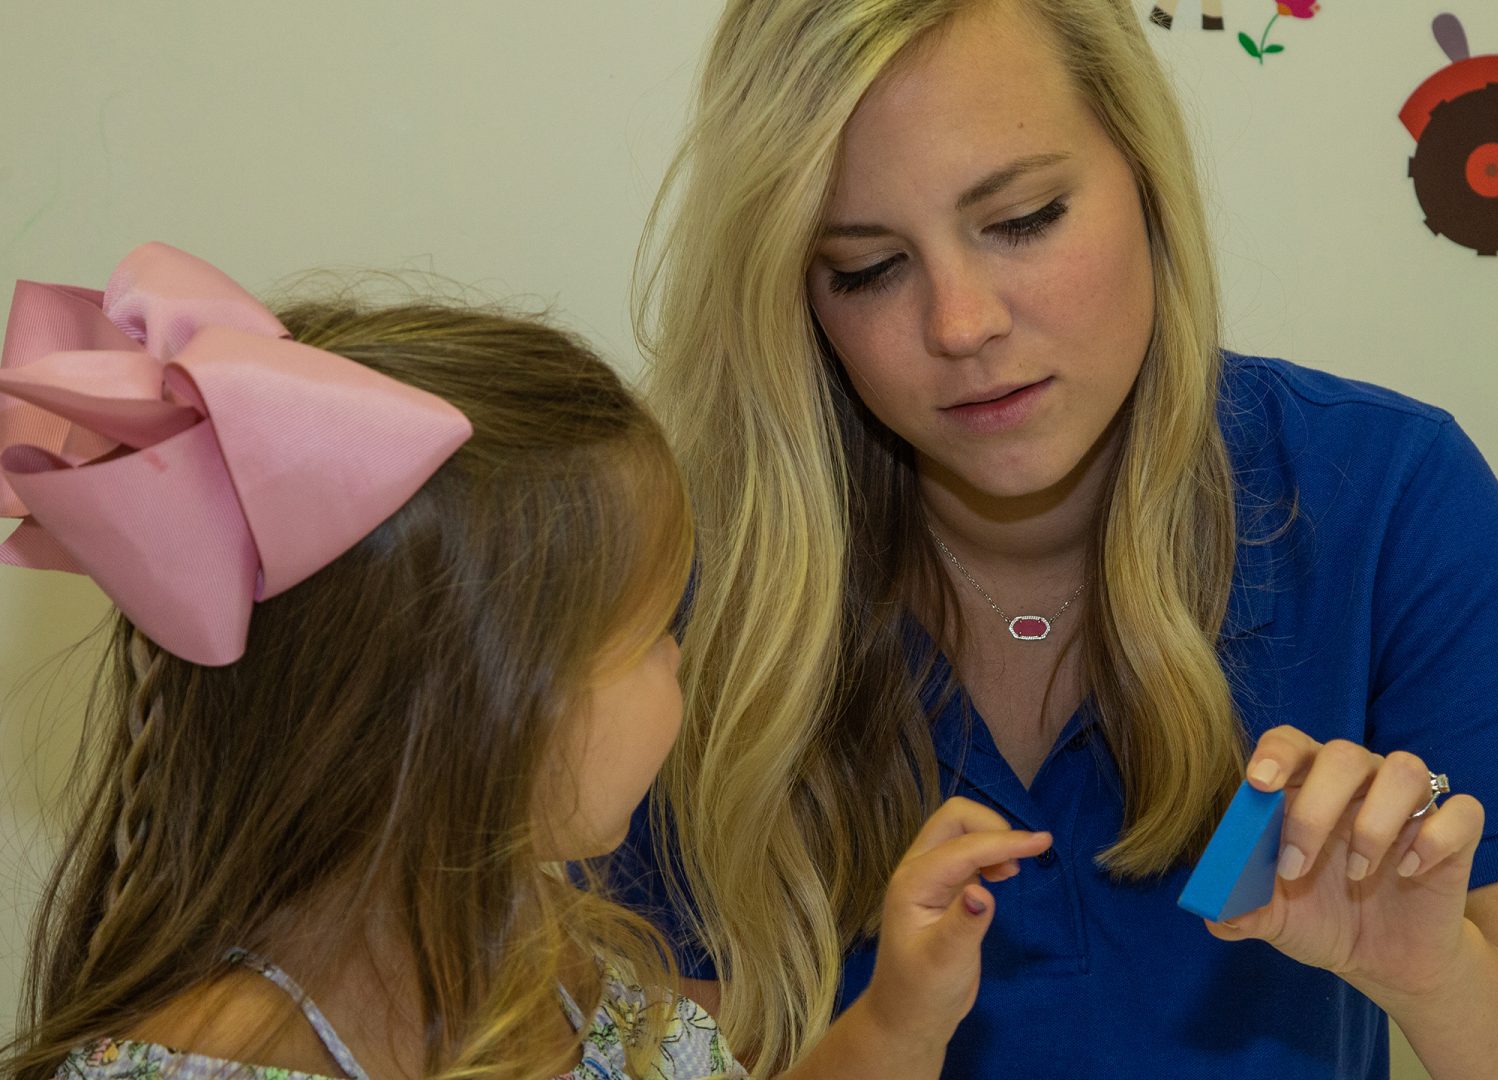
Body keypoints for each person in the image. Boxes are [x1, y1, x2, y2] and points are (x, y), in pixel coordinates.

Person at [619, 1, 1498, 1077]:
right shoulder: (676, 593)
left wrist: (1439, 977)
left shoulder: (1386, 498)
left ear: (1146, 180)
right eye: (864, 268)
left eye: (1026, 217)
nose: (961, 323)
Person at [0, 243, 1050, 1080]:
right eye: (646, 638)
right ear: (483, 716)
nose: (680, 658)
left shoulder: (569, 985)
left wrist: (903, 1020)